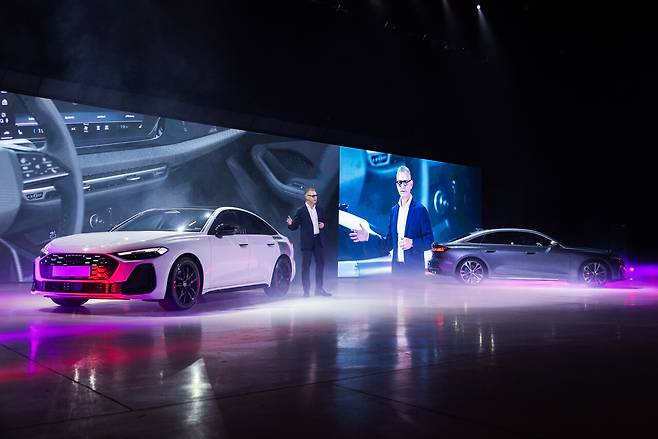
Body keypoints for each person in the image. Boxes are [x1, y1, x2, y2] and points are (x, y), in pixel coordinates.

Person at [350, 165, 434, 274]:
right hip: (397, 270)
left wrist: (413, 243)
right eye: (399, 183)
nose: (402, 186)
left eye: (405, 182)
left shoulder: (420, 210)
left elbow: (429, 241)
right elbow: (388, 244)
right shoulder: (394, 211)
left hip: (414, 272)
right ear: (396, 185)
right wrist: (368, 237)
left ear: (411, 184)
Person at [287, 187, 331, 297]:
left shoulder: (320, 210)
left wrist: (323, 225)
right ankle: (306, 291)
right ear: (306, 197)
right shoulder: (301, 211)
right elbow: (294, 226)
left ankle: (319, 289)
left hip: (318, 240)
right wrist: (290, 224)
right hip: (307, 242)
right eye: (312, 195)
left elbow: (326, 222)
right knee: (306, 266)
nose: (315, 197)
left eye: (316, 195)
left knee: (320, 264)